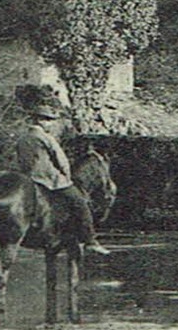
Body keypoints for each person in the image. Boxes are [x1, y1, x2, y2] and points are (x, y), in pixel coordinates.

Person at [14, 90, 111, 255]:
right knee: (81, 204)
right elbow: (62, 161)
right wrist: (67, 177)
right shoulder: (46, 138)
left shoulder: (22, 137)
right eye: (48, 120)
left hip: (27, 178)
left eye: (51, 121)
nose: (50, 124)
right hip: (50, 179)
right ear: (39, 120)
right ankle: (90, 241)